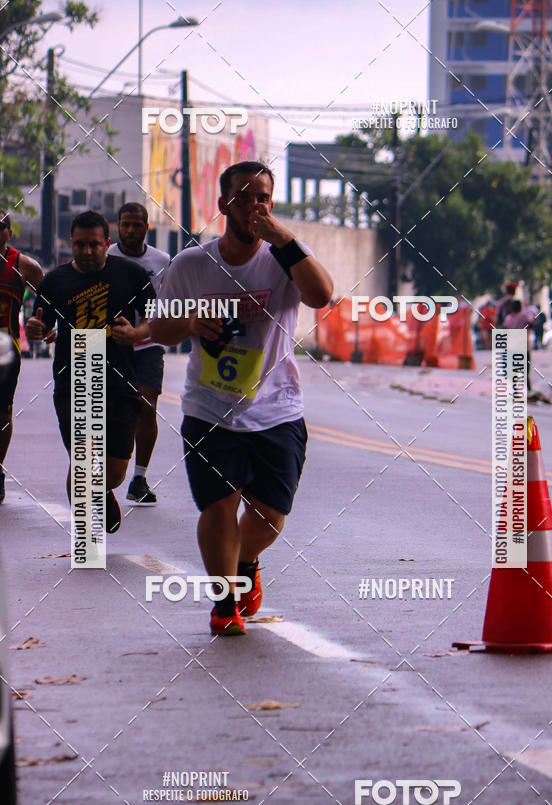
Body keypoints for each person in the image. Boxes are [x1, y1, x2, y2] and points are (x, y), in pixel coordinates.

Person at [149, 161, 333, 636]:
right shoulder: (191, 265)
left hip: (277, 408)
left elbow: (322, 295)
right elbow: (160, 328)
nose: (255, 206)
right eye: (244, 197)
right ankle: (224, 601)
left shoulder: (285, 258)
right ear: (223, 204)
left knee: (271, 514)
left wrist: (284, 239)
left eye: (264, 198)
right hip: (209, 408)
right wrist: (191, 323)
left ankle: (246, 561)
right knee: (218, 505)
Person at [25, 210, 155, 533]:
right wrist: (36, 331)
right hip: (74, 380)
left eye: (94, 245)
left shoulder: (132, 274)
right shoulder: (54, 281)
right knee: (84, 462)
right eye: (79, 245)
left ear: (107, 243)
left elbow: (156, 317)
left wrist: (137, 334)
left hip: (121, 382)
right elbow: (41, 325)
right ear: (71, 243)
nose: (86, 252)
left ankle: (104, 489)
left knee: (113, 473)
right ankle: (87, 539)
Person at [107, 202, 170, 504]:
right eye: (125, 224)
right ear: (117, 226)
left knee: (147, 406)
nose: (130, 230)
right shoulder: (106, 257)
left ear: (147, 227)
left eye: (137, 225)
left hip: (148, 343)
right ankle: (104, 472)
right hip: (113, 343)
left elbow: (168, 301)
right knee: (111, 407)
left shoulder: (162, 260)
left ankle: (139, 478)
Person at [0, 211, 44, 503]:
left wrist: (45, 325)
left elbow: (51, 298)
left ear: (9, 232)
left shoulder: (24, 266)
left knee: (2, 412)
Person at [504, 299, 533, 391]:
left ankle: (515, 390)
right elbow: (532, 324)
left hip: (511, 347)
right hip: (523, 346)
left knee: (513, 370)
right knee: (525, 370)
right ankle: (529, 389)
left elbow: (504, 328)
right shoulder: (525, 316)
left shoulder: (508, 318)